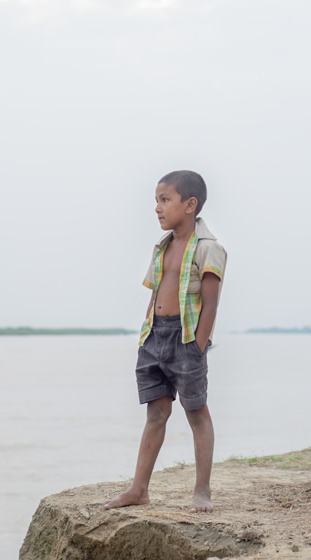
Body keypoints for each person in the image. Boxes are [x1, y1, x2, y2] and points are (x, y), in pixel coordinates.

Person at [104, 170, 227, 513]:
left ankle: (202, 490)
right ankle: (138, 489)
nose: (157, 208)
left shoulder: (208, 248)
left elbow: (211, 303)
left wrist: (198, 345)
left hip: (186, 338)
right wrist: (147, 331)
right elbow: (156, 291)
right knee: (156, 413)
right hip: (155, 336)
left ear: (190, 205)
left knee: (197, 413)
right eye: (156, 201)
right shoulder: (162, 247)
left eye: (164, 200)